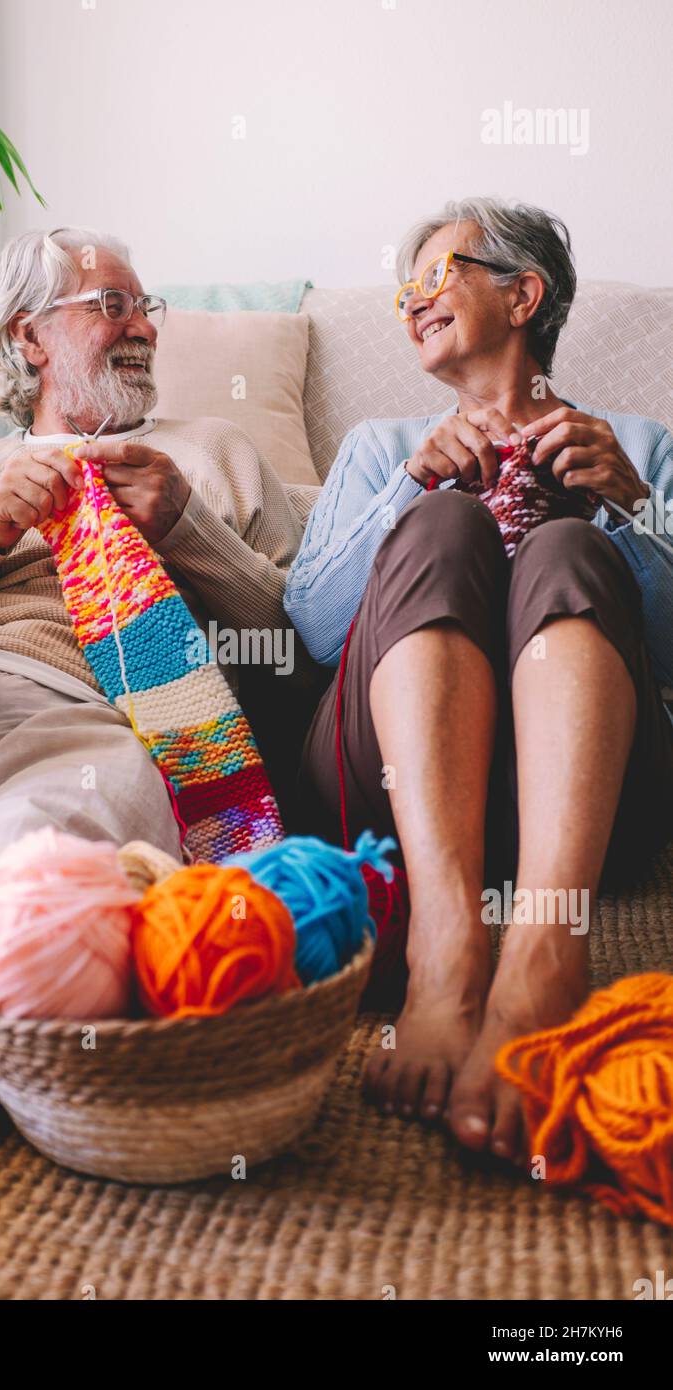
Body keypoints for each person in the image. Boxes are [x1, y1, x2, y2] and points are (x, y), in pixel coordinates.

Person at [0, 227, 309, 1274]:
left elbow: (298, 649)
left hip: (107, 720)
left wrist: (190, 533)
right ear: (28, 338)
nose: (141, 327)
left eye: (145, 307)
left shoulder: (213, 450)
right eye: (108, 306)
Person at [285, 197, 673, 1165]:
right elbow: (316, 633)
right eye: (400, 288)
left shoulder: (640, 443)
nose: (410, 301)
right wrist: (403, 498)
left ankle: (544, 949)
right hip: (387, 796)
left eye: (434, 275)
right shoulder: (379, 446)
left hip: (596, 808)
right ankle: (444, 945)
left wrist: (628, 508)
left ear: (521, 292)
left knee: (569, 546)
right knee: (444, 526)